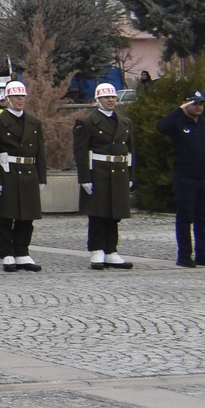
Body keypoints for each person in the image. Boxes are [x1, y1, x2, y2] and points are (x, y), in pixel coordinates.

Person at [66, 82, 134, 271]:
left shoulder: (125, 122)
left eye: (113, 97)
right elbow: (81, 152)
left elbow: (130, 151)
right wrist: (84, 178)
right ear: (98, 100)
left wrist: (130, 175)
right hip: (99, 171)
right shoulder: (87, 122)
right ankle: (96, 250)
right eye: (106, 97)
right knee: (98, 213)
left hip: (119, 171)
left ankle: (111, 250)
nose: (111, 100)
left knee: (115, 213)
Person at [0, 80, 47, 273]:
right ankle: (7, 253)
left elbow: (40, 152)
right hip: (8, 172)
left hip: (28, 172)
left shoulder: (34, 123)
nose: (20, 100)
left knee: (27, 216)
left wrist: (42, 177)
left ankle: (22, 252)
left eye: (22, 96)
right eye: (16, 96)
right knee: (6, 216)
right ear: (8, 99)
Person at [160, 89, 205, 267]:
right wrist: (179, 109)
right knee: (185, 216)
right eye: (194, 103)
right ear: (186, 103)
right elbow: (161, 127)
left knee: (204, 217)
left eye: (201, 103)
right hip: (186, 177)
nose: (199, 107)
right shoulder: (178, 123)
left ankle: (202, 254)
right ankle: (184, 254)